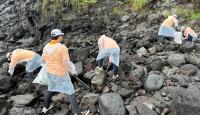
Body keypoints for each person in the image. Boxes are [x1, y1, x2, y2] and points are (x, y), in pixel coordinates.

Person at [41, 29, 88, 115]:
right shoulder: (62, 47)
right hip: (61, 73)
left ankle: (45, 108)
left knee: (51, 89)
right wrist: (73, 71)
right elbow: (66, 62)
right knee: (70, 91)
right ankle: (77, 113)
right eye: (61, 36)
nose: (62, 37)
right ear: (58, 37)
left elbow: (43, 60)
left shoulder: (46, 47)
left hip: (50, 72)